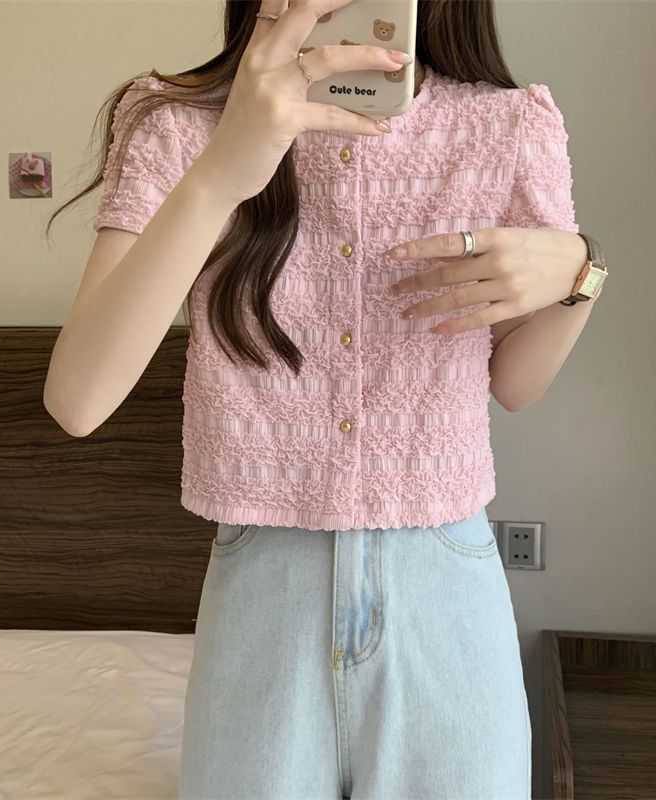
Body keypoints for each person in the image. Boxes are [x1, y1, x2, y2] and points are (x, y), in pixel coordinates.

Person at [44, 0, 603, 796]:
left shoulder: (506, 127)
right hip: (264, 586)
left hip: (444, 589)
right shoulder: (177, 122)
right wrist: (224, 170)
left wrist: (581, 271)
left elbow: (515, 385)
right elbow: (78, 399)